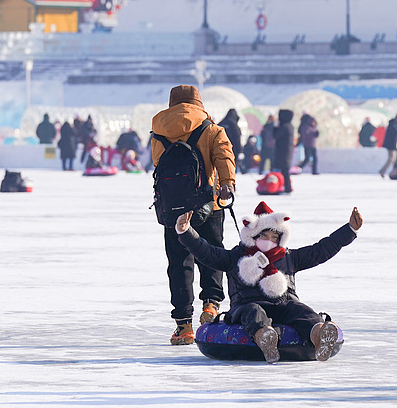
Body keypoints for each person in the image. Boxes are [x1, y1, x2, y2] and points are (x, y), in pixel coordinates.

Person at [175, 200, 362, 363]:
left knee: (301, 310)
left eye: (274, 237)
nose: (269, 241)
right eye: (265, 236)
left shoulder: (289, 257)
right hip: (246, 305)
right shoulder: (236, 257)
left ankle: (319, 335)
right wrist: (186, 232)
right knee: (253, 312)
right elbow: (206, 251)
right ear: (253, 236)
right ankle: (264, 337)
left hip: (283, 304)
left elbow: (320, 250)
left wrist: (349, 230)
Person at [150, 85, 236, 345]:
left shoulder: (158, 131)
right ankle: (210, 304)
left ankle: (183, 326)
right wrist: (227, 183)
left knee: (178, 263)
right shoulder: (211, 129)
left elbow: (157, 164)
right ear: (198, 102)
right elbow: (224, 156)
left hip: (172, 208)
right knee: (212, 254)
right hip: (209, 205)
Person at [273, 109, 296, 193]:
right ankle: (285, 187)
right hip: (286, 150)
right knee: (285, 170)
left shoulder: (284, 126)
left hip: (283, 151)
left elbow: (275, 135)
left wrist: (275, 127)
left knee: (284, 171)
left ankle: (287, 188)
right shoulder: (289, 125)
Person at [379, 113, 397, 178]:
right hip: (391, 146)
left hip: (396, 146)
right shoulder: (392, 124)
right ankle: (383, 171)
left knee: (396, 160)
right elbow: (395, 131)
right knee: (391, 159)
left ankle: (393, 172)